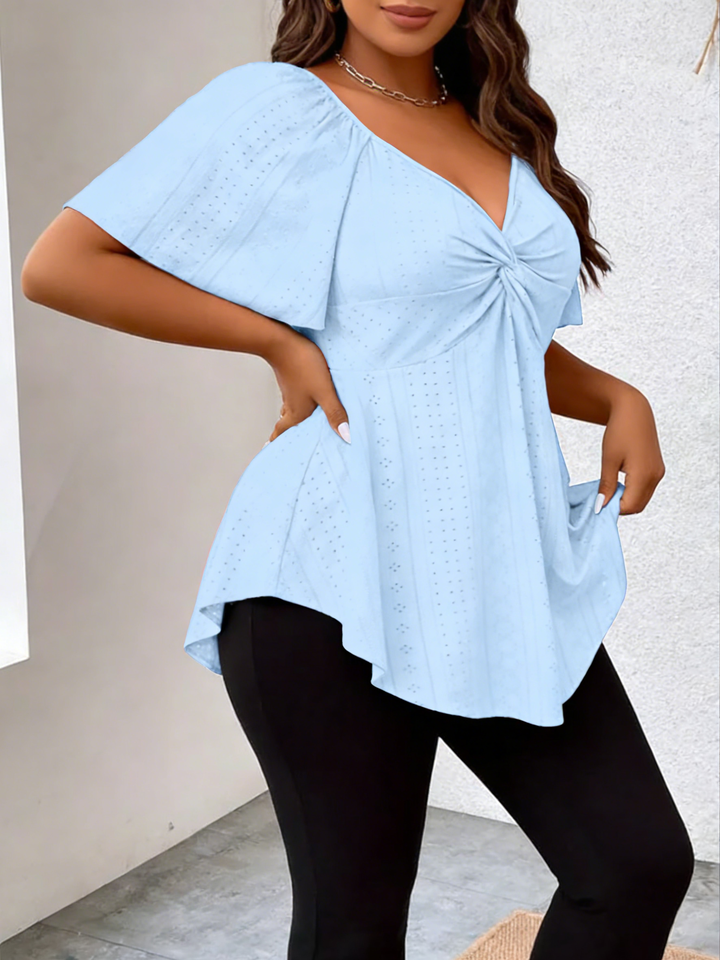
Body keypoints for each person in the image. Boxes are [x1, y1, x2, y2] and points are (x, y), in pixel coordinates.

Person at [22, 1, 694, 957]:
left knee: (635, 863)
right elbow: (63, 263)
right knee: (354, 931)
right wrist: (275, 341)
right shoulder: (280, 107)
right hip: (324, 579)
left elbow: (473, 337)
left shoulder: (493, 120)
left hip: (496, 572)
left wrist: (617, 395)